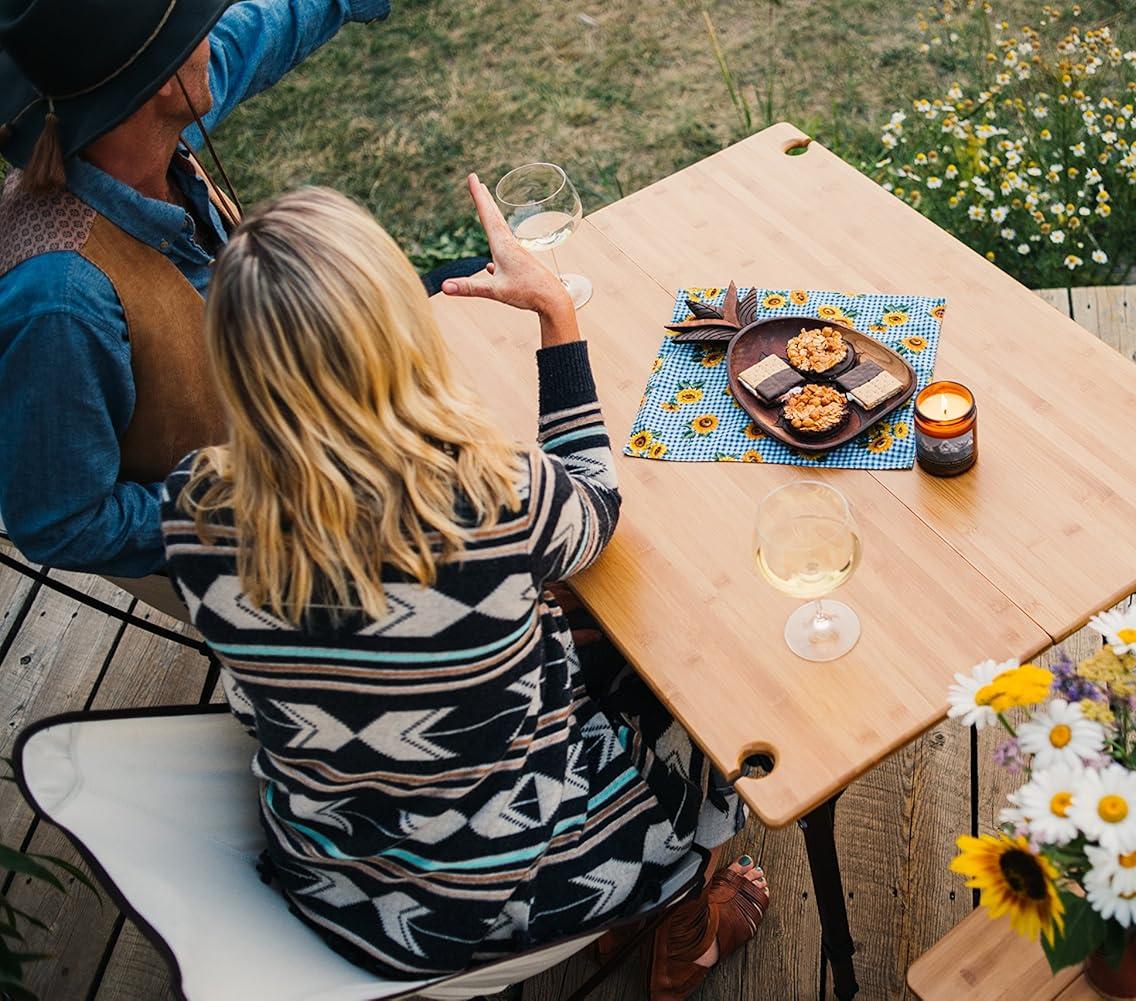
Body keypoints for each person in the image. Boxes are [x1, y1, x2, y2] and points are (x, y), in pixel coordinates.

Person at [159, 179, 770, 996]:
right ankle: (682, 934)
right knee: (705, 681)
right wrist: (557, 312)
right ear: (396, 330)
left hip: (334, 883)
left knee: (565, 637)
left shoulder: (192, 508)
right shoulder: (489, 495)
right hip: (504, 891)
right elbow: (596, 504)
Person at [0, 0, 389, 579]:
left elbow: (249, 40)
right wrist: (272, 502)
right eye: (197, 29)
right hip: (251, 550)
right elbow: (64, 522)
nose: (213, 34)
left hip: (288, 423)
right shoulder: (61, 302)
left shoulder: (125, 138)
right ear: (159, 81)